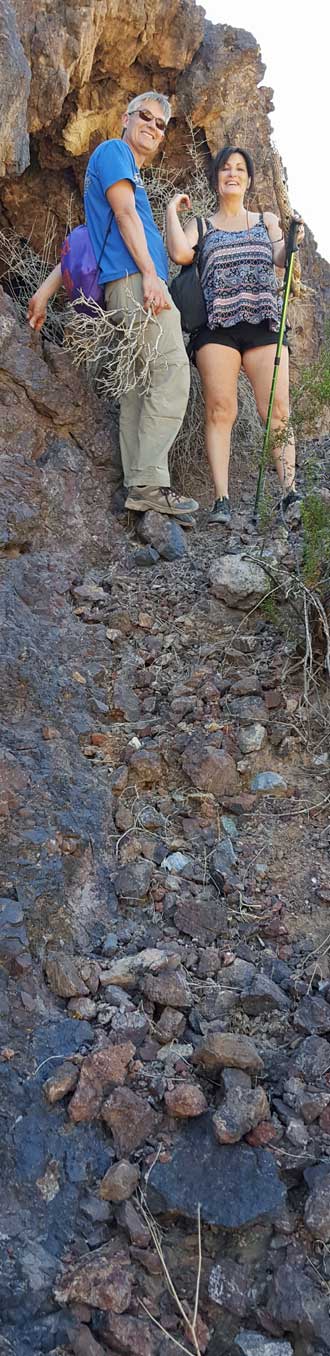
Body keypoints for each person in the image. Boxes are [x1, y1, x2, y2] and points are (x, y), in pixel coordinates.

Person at [28, 92, 197, 521]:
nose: (154, 127)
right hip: (138, 285)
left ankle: (137, 486)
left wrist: (47, 291)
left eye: (161, 124)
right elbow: (123, 217)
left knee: (140, 387)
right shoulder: (114, 151)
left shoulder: (120, 171)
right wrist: (152, 277)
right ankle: (151, 482)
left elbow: (86, 239)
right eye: (146, 117)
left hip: (127, 285)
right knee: (172, 370)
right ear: (125, 117)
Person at [166, 145, 304, 525]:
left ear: (249, 179)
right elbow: (179, 252)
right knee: (220, 410)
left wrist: (293, 240)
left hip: (264, 323)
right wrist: (170, 212)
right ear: (216, 178)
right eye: (225, 168)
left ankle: (290, 493)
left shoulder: (266, 220)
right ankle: (222, 500)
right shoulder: (203, 225)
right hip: (216, 328)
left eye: (240, 169)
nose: (233, 173)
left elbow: (281, 258)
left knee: (276, 411)